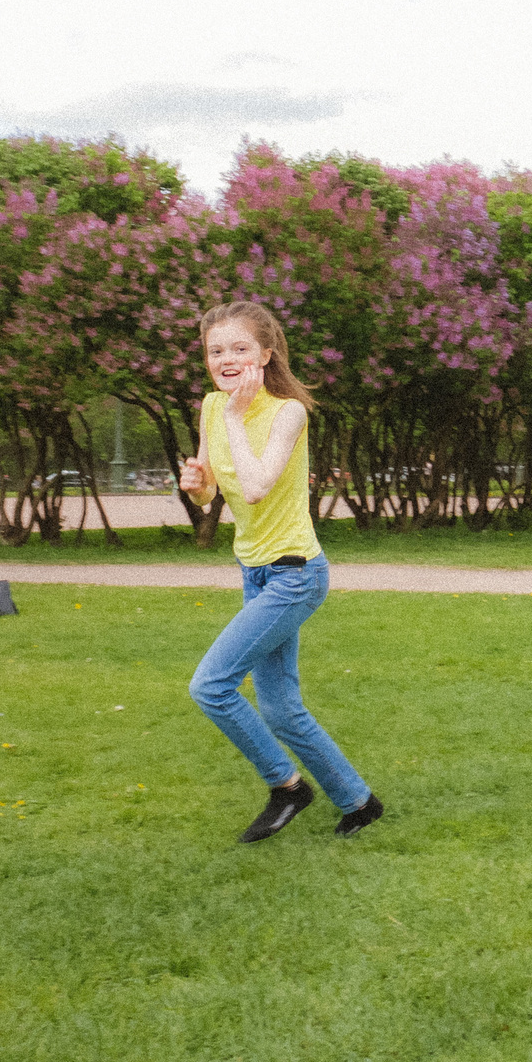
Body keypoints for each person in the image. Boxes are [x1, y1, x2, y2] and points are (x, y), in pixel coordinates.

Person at [180, 300, 384, 844]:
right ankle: (359, 802)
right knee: (280, 707)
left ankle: (287, 787)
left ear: (265, 355)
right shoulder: (210, 407)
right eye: (215, 350)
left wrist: (232, 420)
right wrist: (194, 479)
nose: (226, 359)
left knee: (211, 686)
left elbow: (256, 484)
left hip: (296, 574)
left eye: (239, 348)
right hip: (256, 574)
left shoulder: (287, 412)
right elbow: (213, 492)